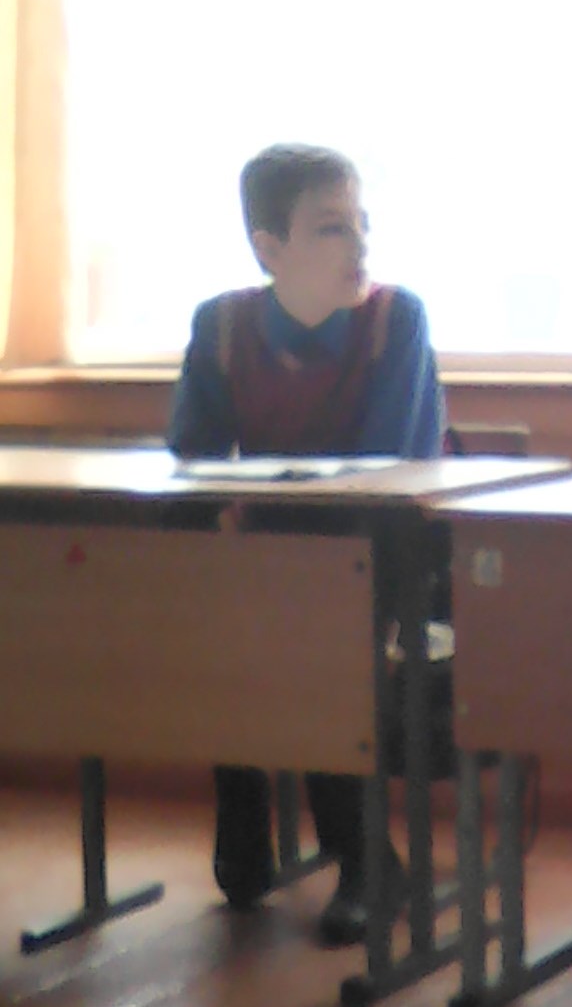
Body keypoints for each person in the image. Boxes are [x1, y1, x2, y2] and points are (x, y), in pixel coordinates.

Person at [168, 142, 445, 944]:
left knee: (317, 623)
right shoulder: (222, 324)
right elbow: (192, 448)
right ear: (269, 247)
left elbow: (386, 462)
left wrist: (267, 520)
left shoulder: (395, 319)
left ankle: (366, 860)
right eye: (331, 228)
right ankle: (243, 810)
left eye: (362, 224)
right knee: (205, 608)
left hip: (385, 553)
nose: (359, 245)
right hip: (269, 555)